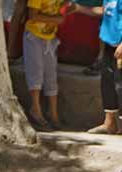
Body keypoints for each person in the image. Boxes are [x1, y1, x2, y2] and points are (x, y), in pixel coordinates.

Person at [74, 0, 122, 135]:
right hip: (109, 44)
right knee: (107, 83)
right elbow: (105, 11)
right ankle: (109, 123)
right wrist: (79, 8)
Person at [22, 0, 72, 130]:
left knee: (51, 76)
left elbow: (66, 10)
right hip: (34, 36)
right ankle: (36, 109)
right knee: (35, 72)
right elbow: (32, 15)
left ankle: (53, 114)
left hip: (50, 37)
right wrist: (56, 19)